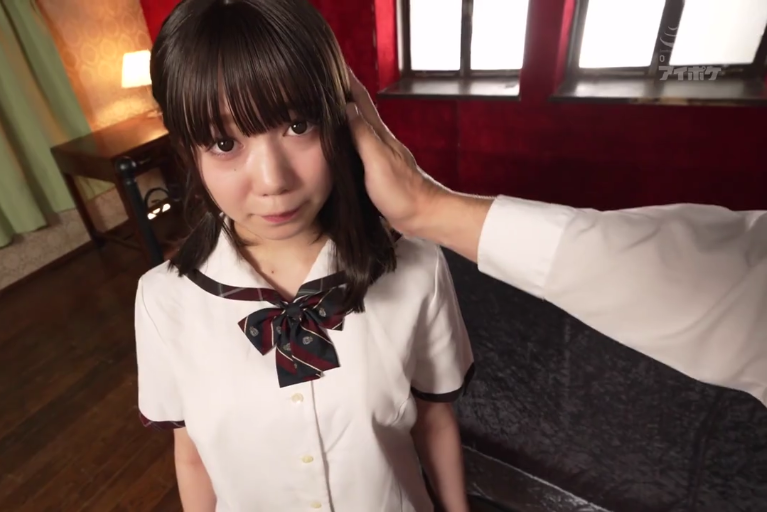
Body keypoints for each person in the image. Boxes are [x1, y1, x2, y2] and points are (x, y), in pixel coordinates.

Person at [135, 1, 474, 511]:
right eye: (224, 142)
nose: (273, 181)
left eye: (297, 126)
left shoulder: (417, 269)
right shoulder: (162, 301)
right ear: (188, 151)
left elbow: (434, 421)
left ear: (340, 119)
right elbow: (192, 457)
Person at [344, 69, 767, 408]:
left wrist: (428, 208)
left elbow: (730, 294)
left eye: (308, 122)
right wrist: (427, 208)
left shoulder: (419, 267)